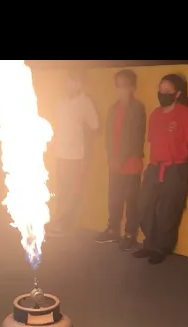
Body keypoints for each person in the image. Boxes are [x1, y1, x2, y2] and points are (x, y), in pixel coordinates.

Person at [133, 74, 188, 264]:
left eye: (167, 91)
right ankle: (149, 243)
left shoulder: (186, 114)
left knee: (168, 211)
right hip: (155, 167)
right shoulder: (155, 114)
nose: (162, 94)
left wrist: (180, 160)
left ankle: (160, 248)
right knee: (144, 206)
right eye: (160, 90)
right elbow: (153, 142)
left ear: (177, 93)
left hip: (175, 170)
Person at [95, 69, 146, 251]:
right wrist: (111, 157)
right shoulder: (113, 109)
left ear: (132, 87)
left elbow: (135, 138)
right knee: (114, 198)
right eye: (118, 86)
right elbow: (109, 137)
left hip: (130, 163)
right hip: (115, 163)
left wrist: (121, 159)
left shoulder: (137, 108)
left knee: (131, 200)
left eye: (124, 85)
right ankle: (112, 230)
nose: (120, 90)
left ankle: (130, 234)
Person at [49, 70, 99, 236]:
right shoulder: (60, 101)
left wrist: (81, 139)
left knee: (71, 192)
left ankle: (60, 224)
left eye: (74, 81)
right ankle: (58, 222)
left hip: (76, 155)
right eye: (69, 80)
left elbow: (95, 125)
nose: (70, 84)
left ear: (80, 84)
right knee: (60, 191)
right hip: (59, 154)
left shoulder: (85, 101)